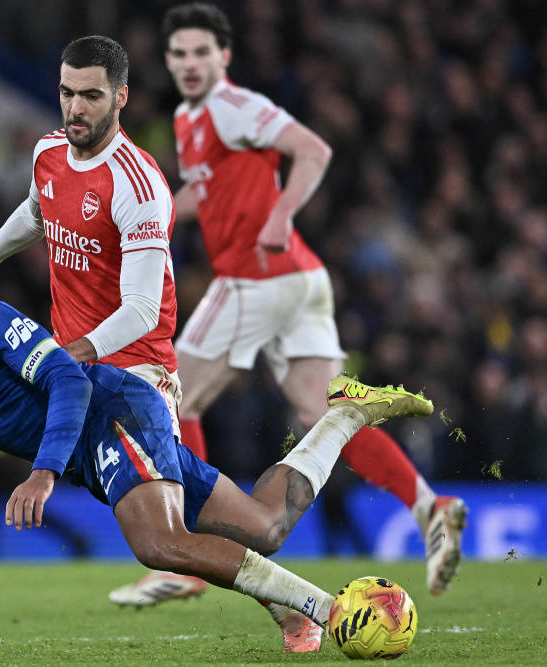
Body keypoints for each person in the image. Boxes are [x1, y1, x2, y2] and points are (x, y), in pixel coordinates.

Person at [0, 242, 434, 648]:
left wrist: (44, 472)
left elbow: (66, 380)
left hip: (112, 410)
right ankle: (345, 416)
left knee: (158, 544)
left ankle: (329, 609)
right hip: (91, 450)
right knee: (265, 527)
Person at [107, 2, 466, 617]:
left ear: (224, 56)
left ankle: (190, 556)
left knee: (173, 397)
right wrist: (149, 219)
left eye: (202, 52)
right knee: (325, 414)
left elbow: (313, 150)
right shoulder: (190, 119)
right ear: (167, 61)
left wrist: (280, 214)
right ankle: (430, 504)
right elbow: (208, 192)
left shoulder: (231, 104)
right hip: (298, 281)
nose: (191, 63)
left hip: (257, 278)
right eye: (180, 53)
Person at [0, 35, 213, 646]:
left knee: (178, 538)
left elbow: (144, 310)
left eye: (90, 95)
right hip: (67, 373)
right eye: (67, 93)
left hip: (134, 376)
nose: (75, 108)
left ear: (121, 97)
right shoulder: (48, 152)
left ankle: (292, 601)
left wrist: (76, 353)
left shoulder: (140, 185)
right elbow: (38, 210)